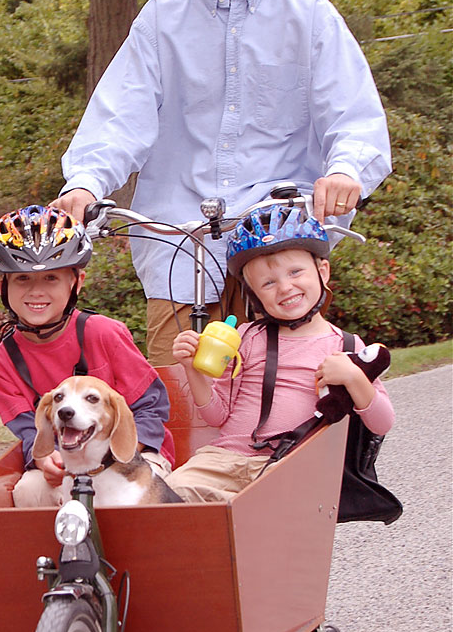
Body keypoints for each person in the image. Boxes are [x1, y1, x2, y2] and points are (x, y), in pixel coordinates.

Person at [55, 0, 392, 364]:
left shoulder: (310, 15)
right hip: (178, 248)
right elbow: (121, 116)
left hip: (278, 247)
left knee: (289, 398)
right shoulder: (161, 19)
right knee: (175, 403)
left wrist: (346, 170)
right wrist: (85, 185)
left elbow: (353, 116)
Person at [166, 203, 395, 503]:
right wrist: (192, 369)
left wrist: (354, 377)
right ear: (254, 295)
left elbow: (382, 422)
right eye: (268, 283)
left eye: (296, 272)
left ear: (322, 271)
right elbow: (217, 414)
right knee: (166, 496)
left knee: (268, 521)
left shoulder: (347, 347)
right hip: (224, 460)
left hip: (292, 465)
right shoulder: (248, 337)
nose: (285, 288)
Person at [0, 204, 176, 506]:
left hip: (131, 454)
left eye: (51, 279)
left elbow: (150, 406)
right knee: (28, 492)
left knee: (133, 497)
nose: (36, 292)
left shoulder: (103, 333)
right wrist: (45, 457)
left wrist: (133, 451)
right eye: (21, 279)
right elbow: (29, 428)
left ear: (76, 282)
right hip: (65, 463)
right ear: (0, 285)